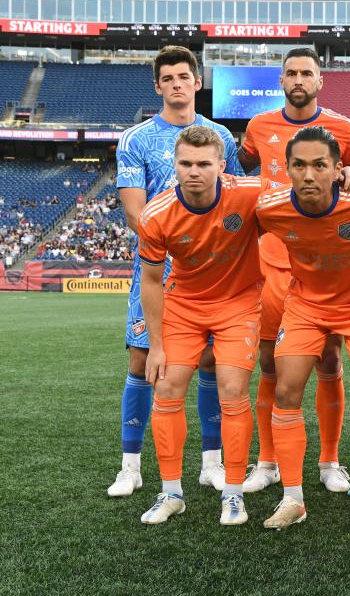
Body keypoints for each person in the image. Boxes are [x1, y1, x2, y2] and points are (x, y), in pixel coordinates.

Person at [110, 45, 244, 498]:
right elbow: (136, 212)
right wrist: (174, 243)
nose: (176, 84)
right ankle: (131, 465)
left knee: (209, 359)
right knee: (142, 359)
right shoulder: (136, 138)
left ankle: (211, 463)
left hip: (211, 272)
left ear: (197, 82)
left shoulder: (221, 137)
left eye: (183, 76)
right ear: (158, 86)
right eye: (167, 78)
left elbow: (237, 198)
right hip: (157, 263)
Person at [255, 126, 350, 530]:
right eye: (299, 165)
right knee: (285, 389)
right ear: (286, 168)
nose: (308, 175)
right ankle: (292, 499)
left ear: (338, 168)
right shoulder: (270, 208)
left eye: (319, 165)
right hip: (305, 307)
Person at [238, 46, 350, 495]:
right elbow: (239, 169)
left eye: (307, 73)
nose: (298, 80)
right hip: (271, 260)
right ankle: (267, 460)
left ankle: (330, 460)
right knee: (270, 363)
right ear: (281, 80)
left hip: (325, 265)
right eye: (291, 73)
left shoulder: (344, 130)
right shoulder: (259, 127)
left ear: (320, 80)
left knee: (328, 358)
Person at [136, 126, 262, 525]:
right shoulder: (156, 214)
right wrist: (155, 346)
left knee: (231, 388)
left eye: (204, 163)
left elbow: (302, 187)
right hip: (185, 306)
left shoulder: (249, 192)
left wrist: (347, 173)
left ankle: (234, 494)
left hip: (239, 304)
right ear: (174, 165)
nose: (194, 171)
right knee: (168, 386)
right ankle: (171, 492)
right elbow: (152, 281)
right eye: (186, 163)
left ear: (221, 166)